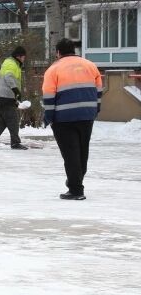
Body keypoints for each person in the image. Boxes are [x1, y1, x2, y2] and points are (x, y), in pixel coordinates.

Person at [42, 38, 103, 200]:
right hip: (87, 115)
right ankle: (76, 181)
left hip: (64, 118)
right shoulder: (90, 65)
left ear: (58, 52)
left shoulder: (53, 69)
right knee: (82, 151)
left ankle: (76, 189)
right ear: (73, 50)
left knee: (70, 154)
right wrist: (95, 109)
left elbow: (48, 95)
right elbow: (98, 90)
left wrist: (49, 117)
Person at [0, 46, 27, 150]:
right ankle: (15, 143)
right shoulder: (11, 63)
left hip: (3, 97)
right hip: (5, 98)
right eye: (23, 57)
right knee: (14, 121)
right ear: (19, 56)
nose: (24, 59)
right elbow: (8, 77)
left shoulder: (11, 63)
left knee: (2, 123)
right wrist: (16, 90)